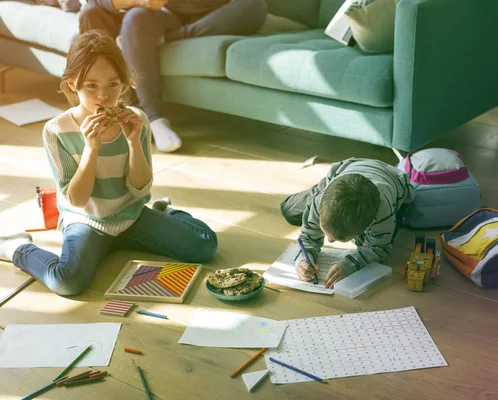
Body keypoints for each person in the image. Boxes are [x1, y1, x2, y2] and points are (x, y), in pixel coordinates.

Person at [0, 30, 218, 296]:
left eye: (113, 84)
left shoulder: (136, 119)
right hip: (86, 221)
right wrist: (91, 149)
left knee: (205, 247)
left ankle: (167, 212)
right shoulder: (57, 131)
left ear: (124, 83)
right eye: (91, 85)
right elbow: (78, 200)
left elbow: (140, 189)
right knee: (67, 283)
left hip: (131, 214)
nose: (103, 96)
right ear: (72, 84)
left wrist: (134, 142)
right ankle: (19, 248)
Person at [79, 0, 268, 153]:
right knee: (112, 14)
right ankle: (147, 116)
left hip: (211, 11)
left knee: (255, 5)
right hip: (157, 15)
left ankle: (168, 38)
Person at [280, 158, 415, 289]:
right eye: (326, 230)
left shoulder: (384, 212)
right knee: (289, 211)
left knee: (370, 243)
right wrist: (303, 259)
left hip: (392, 180)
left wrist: (348, 265)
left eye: (339, 239)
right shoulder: (320, 200)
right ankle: (323, 186)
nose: (330, 240)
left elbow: (378, 249)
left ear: (370, 224)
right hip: (344, 171)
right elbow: (307, 238)